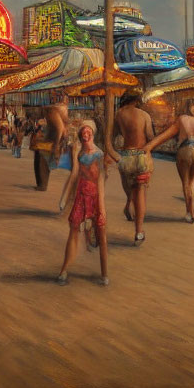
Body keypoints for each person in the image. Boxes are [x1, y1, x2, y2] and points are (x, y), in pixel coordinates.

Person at [56, 120, 108, 286]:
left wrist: (102, 207)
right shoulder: (78, 153)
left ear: (92, 133)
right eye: (83, 133)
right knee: (73, 230)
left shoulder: (99, 154)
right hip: (80, 195)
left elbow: (100, 180)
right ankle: (64, 269)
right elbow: (74, 175)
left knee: (101, 232)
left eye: (88, 132)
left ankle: (104, 273)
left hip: (94, 195)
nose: (85, 135)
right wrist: (64, 199)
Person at [146, 103, 194, 224]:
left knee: (186, 183)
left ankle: (189, 212)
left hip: (185, 150)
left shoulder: (181, 120)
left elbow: (166, 135)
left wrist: (149, 146)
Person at [112, 89, 155, 246]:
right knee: (141, 194)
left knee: (130, 190)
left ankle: (128, 203)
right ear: (137, 100)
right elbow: (150, 137)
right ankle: (138, 232)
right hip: (142, 158)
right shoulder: (144, 115)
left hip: (126, 157)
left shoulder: (119, 114)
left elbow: (114, 137)